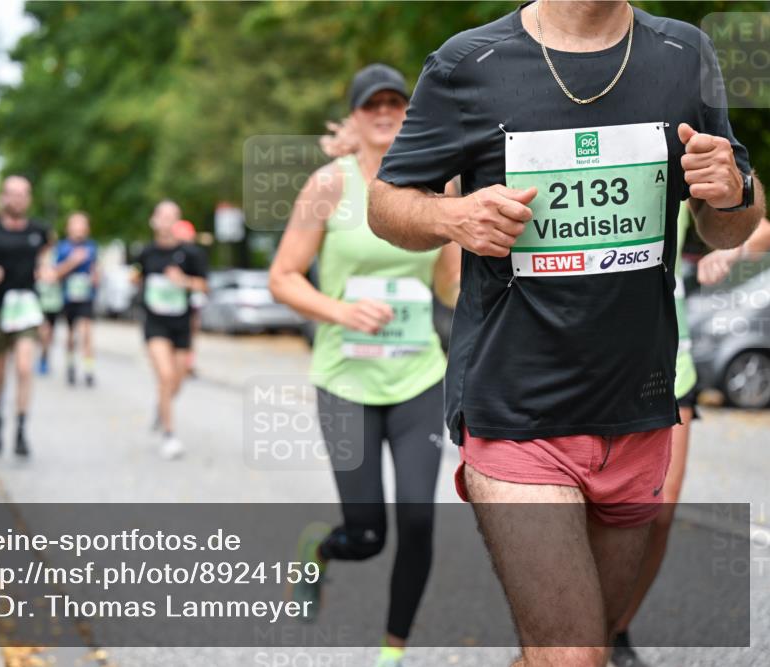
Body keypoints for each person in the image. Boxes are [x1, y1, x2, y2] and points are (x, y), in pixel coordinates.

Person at [366, 1, 764, 664]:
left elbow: (729, 223)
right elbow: (386, 203)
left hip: (637, 409)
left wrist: (732, 192)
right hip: (516, 408)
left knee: (580, 649)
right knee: (573, 654)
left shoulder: (684, 54)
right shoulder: (469, 64)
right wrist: (453, 217)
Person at [269, 63, 461, 667]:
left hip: (418, 378)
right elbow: (283, 277)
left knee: (419, 520)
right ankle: (322, 549)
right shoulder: (329, 185)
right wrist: (342, 311)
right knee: (368, 534)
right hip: (345, 381)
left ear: (409, 112)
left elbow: (449, 286)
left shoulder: (433, 187)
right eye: (371, 104)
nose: (384, 113)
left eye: (395, 103)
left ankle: (392, 652)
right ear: (354, 117)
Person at [610, 209, 770, 667]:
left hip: (668, 364)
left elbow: (759, 227)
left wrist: (730, 249)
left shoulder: (679, 168)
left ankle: (615, 630)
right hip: (589, 363)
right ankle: (573, 628)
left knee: (658, 514)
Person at [0, 175, 52, 457]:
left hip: (28, 306)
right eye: (13, 193)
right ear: (3, 197)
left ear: (28, 198)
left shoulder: (39, 230)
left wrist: (45, 269)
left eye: (23, 194)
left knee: (24, 367)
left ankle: (20, 429)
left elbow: (46, 256)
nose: (18, 199)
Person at [131, 200, 208, 460]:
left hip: (181, 323)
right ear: (153, 220)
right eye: (162, 216)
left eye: (171, 216)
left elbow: (204, 285)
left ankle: (161, 406)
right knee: (165, 376)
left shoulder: (190, 253)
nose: (166, 221)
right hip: (155, 323)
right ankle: (169, 435)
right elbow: (137, 275)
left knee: (177, 380)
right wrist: (135, 280)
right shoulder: (146, 252)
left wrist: (183, 280)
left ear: (177, 221)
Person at [54, 211, 99, 387]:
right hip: (68, 297)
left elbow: (95, 268)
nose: (79, 228)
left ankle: (89, 369)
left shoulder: (92, 246)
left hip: (86, 296)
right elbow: (56, 272)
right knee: (71, 334)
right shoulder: (63, 247)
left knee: (86, 331)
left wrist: (96, 277)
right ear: (69, 228)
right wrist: (73, 261)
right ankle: (71, 364)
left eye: (82, 224)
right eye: (75, 224)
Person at [172, 219, 203, 378]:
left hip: (190, 298)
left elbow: (202, 281)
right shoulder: (174, 253)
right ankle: (181, 361)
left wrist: (185, 282)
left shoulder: (193, 254)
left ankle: (187, 362)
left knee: (190, 332)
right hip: (173, 301)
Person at [36, 251, 64, 376]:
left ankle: (44, 358)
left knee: (49, 337)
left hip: (54, 308)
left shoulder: (58, 270)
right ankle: (41, 358)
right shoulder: (38, 271)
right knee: (44, 333)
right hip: (41, 308)